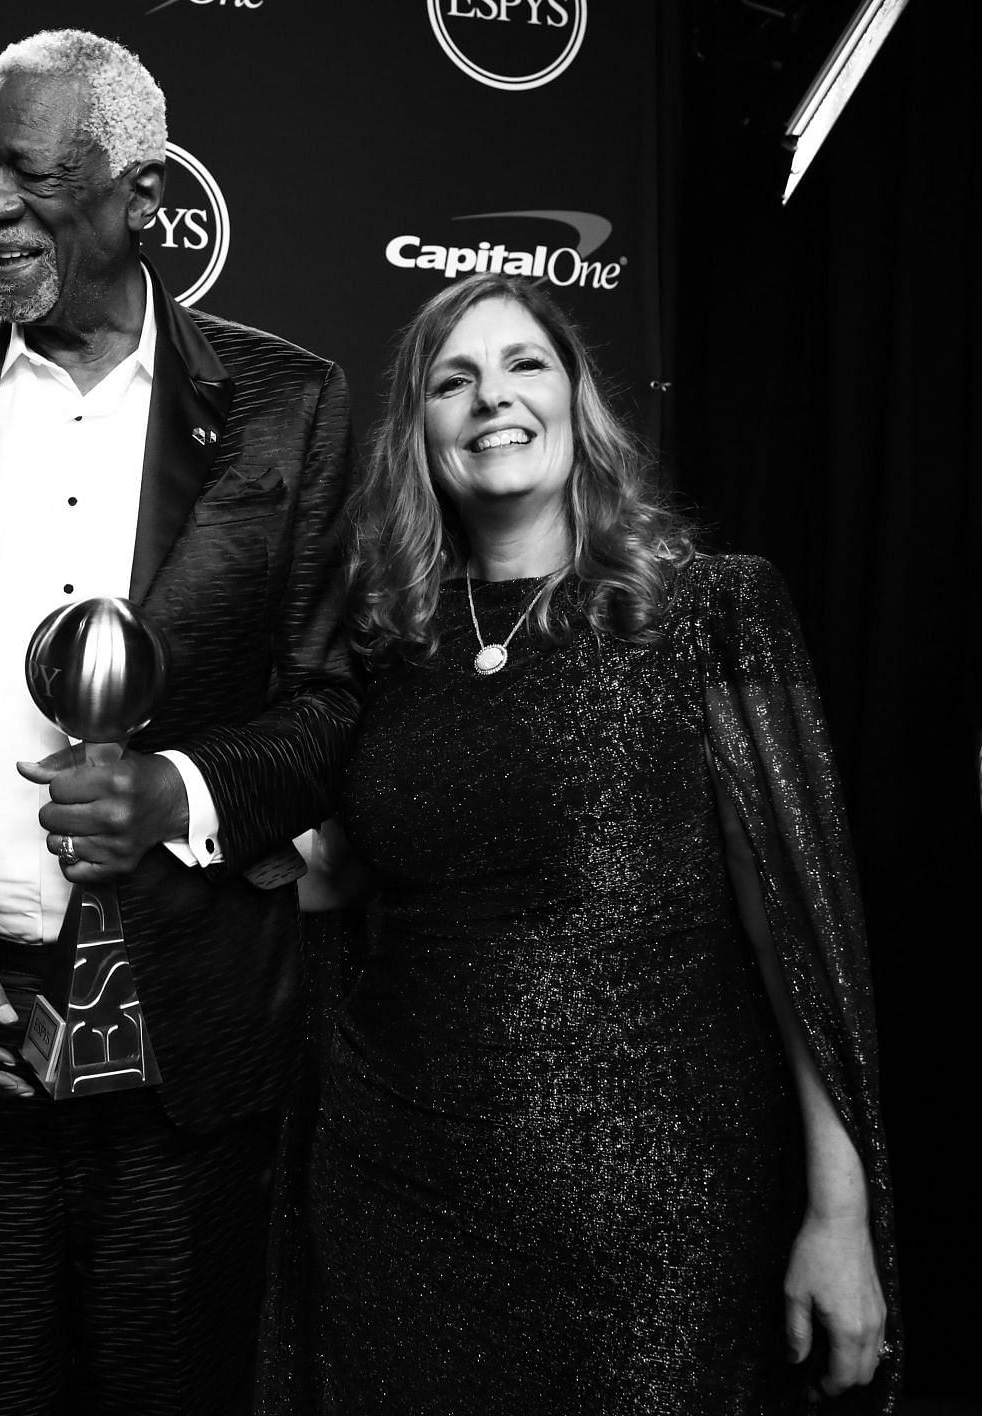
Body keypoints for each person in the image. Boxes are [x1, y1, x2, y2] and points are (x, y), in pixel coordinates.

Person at [0, 29, 357, 1415]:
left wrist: (178, 792)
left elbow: (331, 703)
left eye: (29, 172)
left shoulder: (286, 408)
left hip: (186, 1070)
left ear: (139, 186)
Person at [256, 273, 898, 1414]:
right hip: (396, 1191)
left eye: (523, 365)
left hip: (654, 1212)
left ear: (578, 401)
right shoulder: (386, 646)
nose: (491, 397)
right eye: (453, 382)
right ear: (421, 435)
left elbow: (794, 930)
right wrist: (172, 818)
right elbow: (343, 881)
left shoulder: (704, 609)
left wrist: (838, 1209)